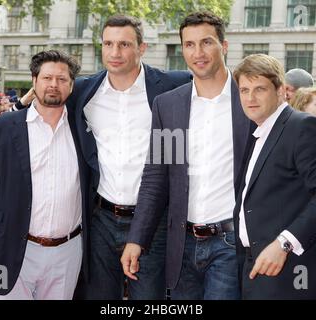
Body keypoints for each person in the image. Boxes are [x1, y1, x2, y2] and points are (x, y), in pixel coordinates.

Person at [121, 11, 253, 300]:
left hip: (231, 245)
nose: (198, 53)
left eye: (206, 42)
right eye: (189, 44)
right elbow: (156, 179)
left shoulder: (248, 101)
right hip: (182, 245)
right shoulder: (170, 106)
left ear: (224, 46)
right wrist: (136, 239)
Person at [67, 14, 191, 300]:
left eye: (124, 44)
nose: (114, 53)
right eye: (108, 44)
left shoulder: (173, 86)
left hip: (153, 220)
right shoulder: (85, 91)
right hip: (101, 218)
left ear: (142, 48)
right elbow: (48, 97)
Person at [0, 50, 91, 300]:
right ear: (34, 81)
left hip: (67, 254)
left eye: (62, 79)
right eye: (46, 78)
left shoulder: (84, 130)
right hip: (7, 251)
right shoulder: (2, 128)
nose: (53, 85)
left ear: (71, 85)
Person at [232, 53, 316, 299]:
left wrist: (284, 243)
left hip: (292, 272)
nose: (250, 98)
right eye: (244, 89)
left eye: (259, 89)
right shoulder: (260, 130)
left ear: (281, 90)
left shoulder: (303, 127)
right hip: (256, 268)